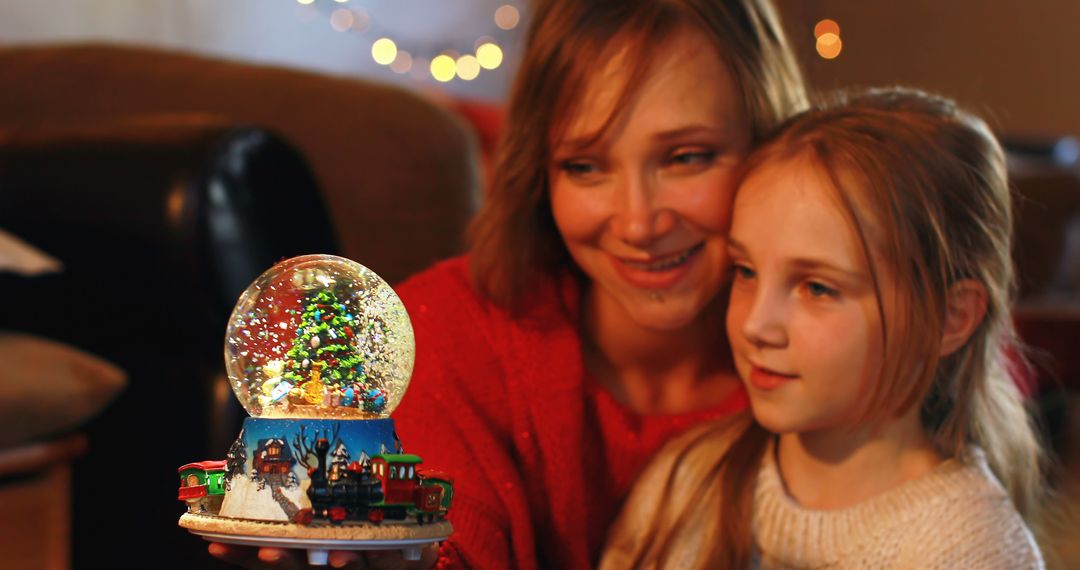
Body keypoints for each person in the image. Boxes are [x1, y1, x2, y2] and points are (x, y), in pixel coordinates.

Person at [210, 0, 806, 568]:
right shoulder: (450, 334)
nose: (638, 222)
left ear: (771, 146)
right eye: (585, 165)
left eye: (686, 157)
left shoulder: (852, 353)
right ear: (540, 172)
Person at [600, 87, 1047, 569]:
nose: (756, 324)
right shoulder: (685, 483)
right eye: (745, 272)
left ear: (951, 318)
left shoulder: (971, 552)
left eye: (817, 288)